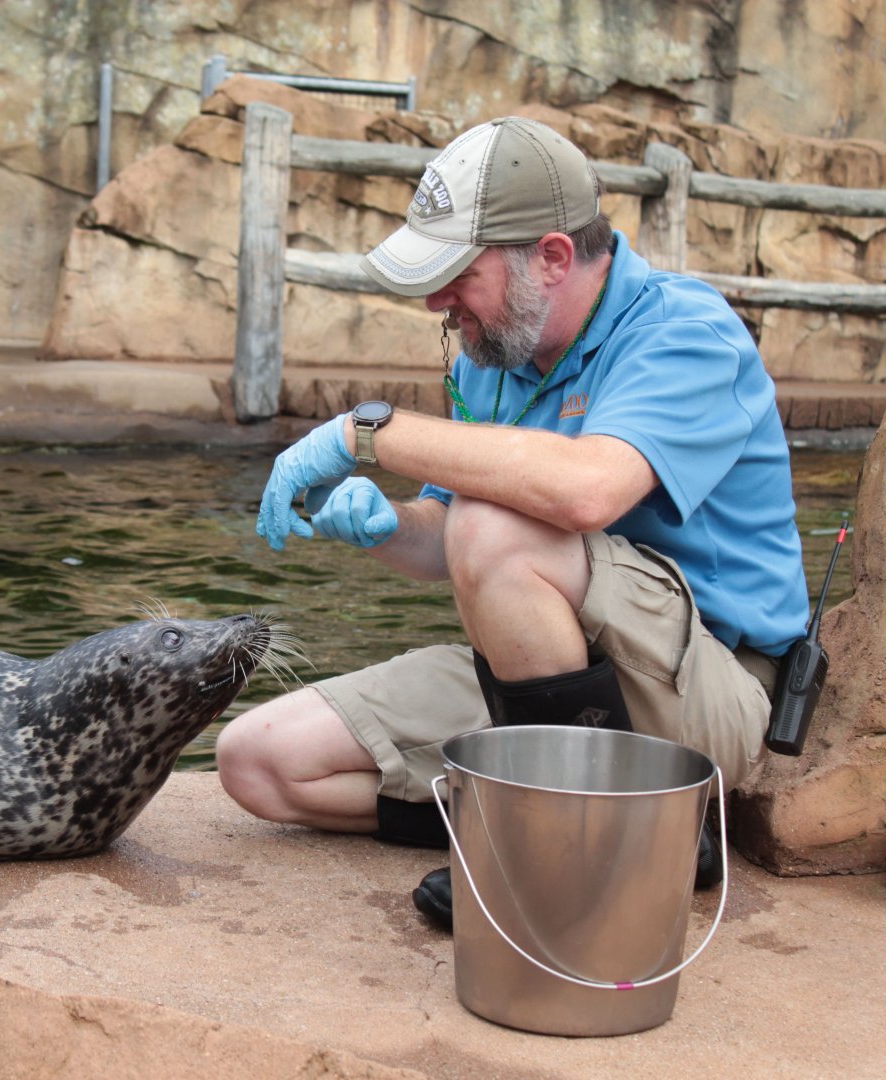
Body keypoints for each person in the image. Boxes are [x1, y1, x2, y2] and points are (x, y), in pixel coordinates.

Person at [215, 116, 810, 929]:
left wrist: (366, 430)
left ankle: (571, 846)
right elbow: (450, 539)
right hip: (555, 678)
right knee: (261, 762)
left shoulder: (685, 332)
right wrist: (387, 526)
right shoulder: (489, 356)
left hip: (707, 693)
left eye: (459, 272)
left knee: (497, 531)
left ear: (552, 258)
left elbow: (582, 495)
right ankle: (617, 829)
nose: (435, 299)